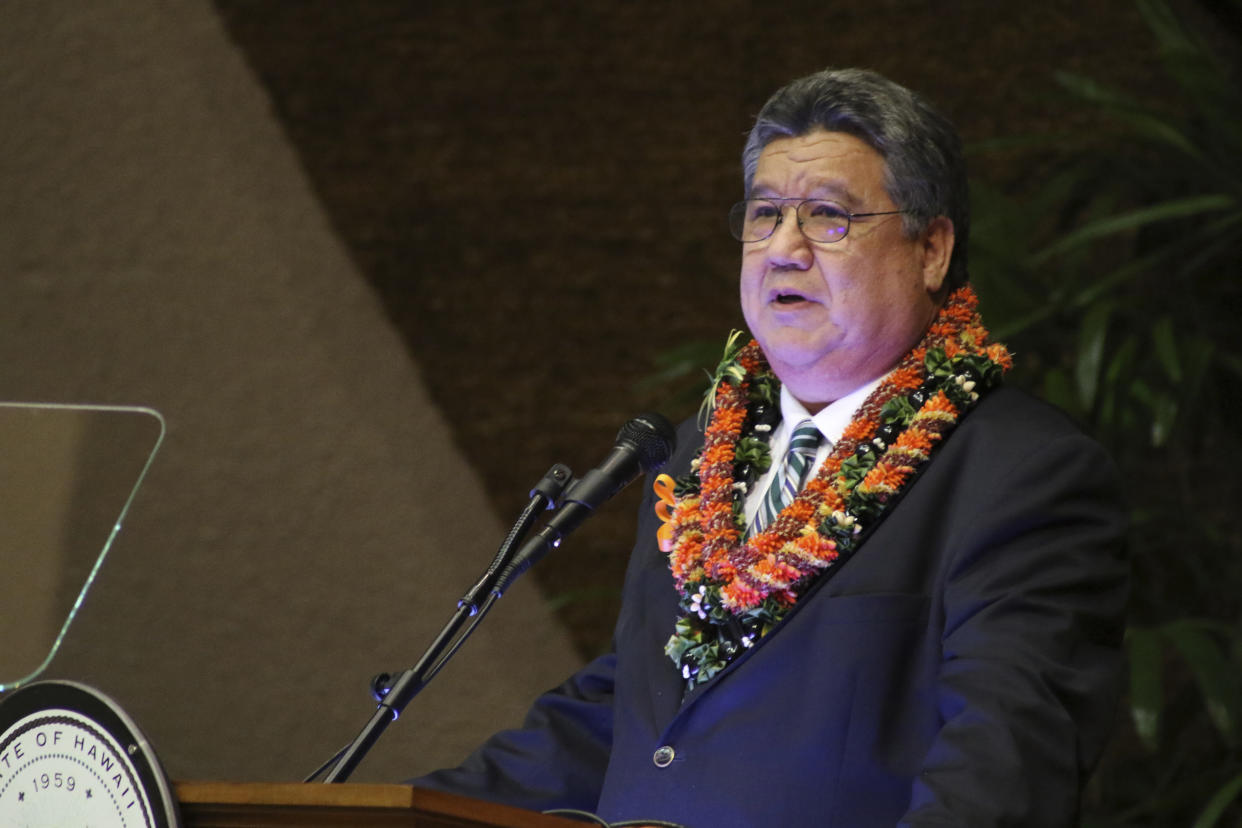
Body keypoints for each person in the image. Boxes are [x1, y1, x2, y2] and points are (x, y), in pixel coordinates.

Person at [413, 67, 1128, 827]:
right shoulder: (695, 458)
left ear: (931, 249)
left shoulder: (1019, 473)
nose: (783, 248)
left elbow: (1003, 769)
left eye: (827, 216)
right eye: (764, 214)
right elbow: (631, 713)